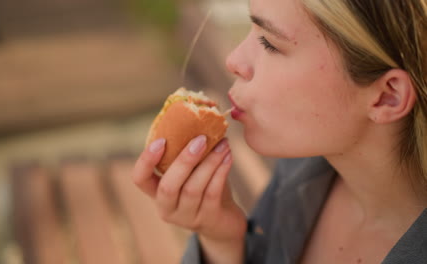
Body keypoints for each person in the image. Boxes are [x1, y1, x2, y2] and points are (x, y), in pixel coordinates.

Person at [133, 0, 427, 263]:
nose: (233, 60)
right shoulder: (299, 176)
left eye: (270, 44)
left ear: (387, 96)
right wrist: (222, 243)